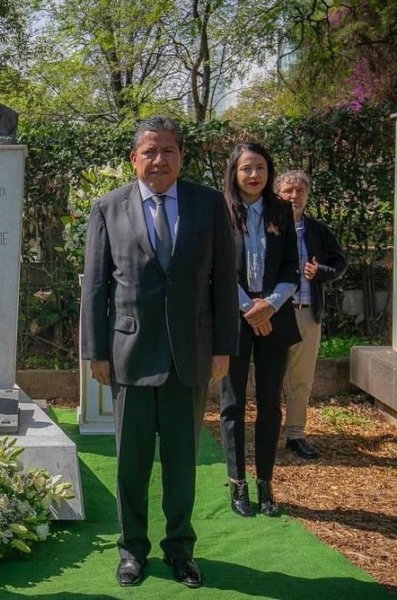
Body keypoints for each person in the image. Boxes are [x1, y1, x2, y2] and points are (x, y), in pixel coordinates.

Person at [80, 116, 238, 589]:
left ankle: (180, 549)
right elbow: (96, 287)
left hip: (189, 354)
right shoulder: (108, 208)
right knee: (130, 462)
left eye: (168, 150)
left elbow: (222, 283)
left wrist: (224, 347)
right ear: (134, 159)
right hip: (128, 354)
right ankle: (132, 550)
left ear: (181, 157)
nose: (159, 159)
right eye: (149, 151)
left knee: (181, 460)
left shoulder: (208, 205)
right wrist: (96, 352)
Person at [219, 143, 301, 519]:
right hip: (234, 319)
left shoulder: (282, 210)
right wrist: (249, 308)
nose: (254, 175)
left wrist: (270, 304)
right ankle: (237, 483)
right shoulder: (219, 212)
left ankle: (265, 481)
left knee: (270, 404)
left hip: (275, 316)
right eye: (246, 169)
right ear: (234, 173)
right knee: (233, 404)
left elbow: (292, 269)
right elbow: (214, 269)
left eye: (261, 168)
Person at [275, 170, 347, 459]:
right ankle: (266, 433)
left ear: (307, 195)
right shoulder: (268, 227)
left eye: (300, 191)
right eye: (288, 190)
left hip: (307, 314)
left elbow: (340, 263)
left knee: (301, 380)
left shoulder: (318, 231)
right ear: (278, 193)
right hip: (275, 314)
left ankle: (295, 434)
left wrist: (322, 273)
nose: (294, 196)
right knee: (271, 378)